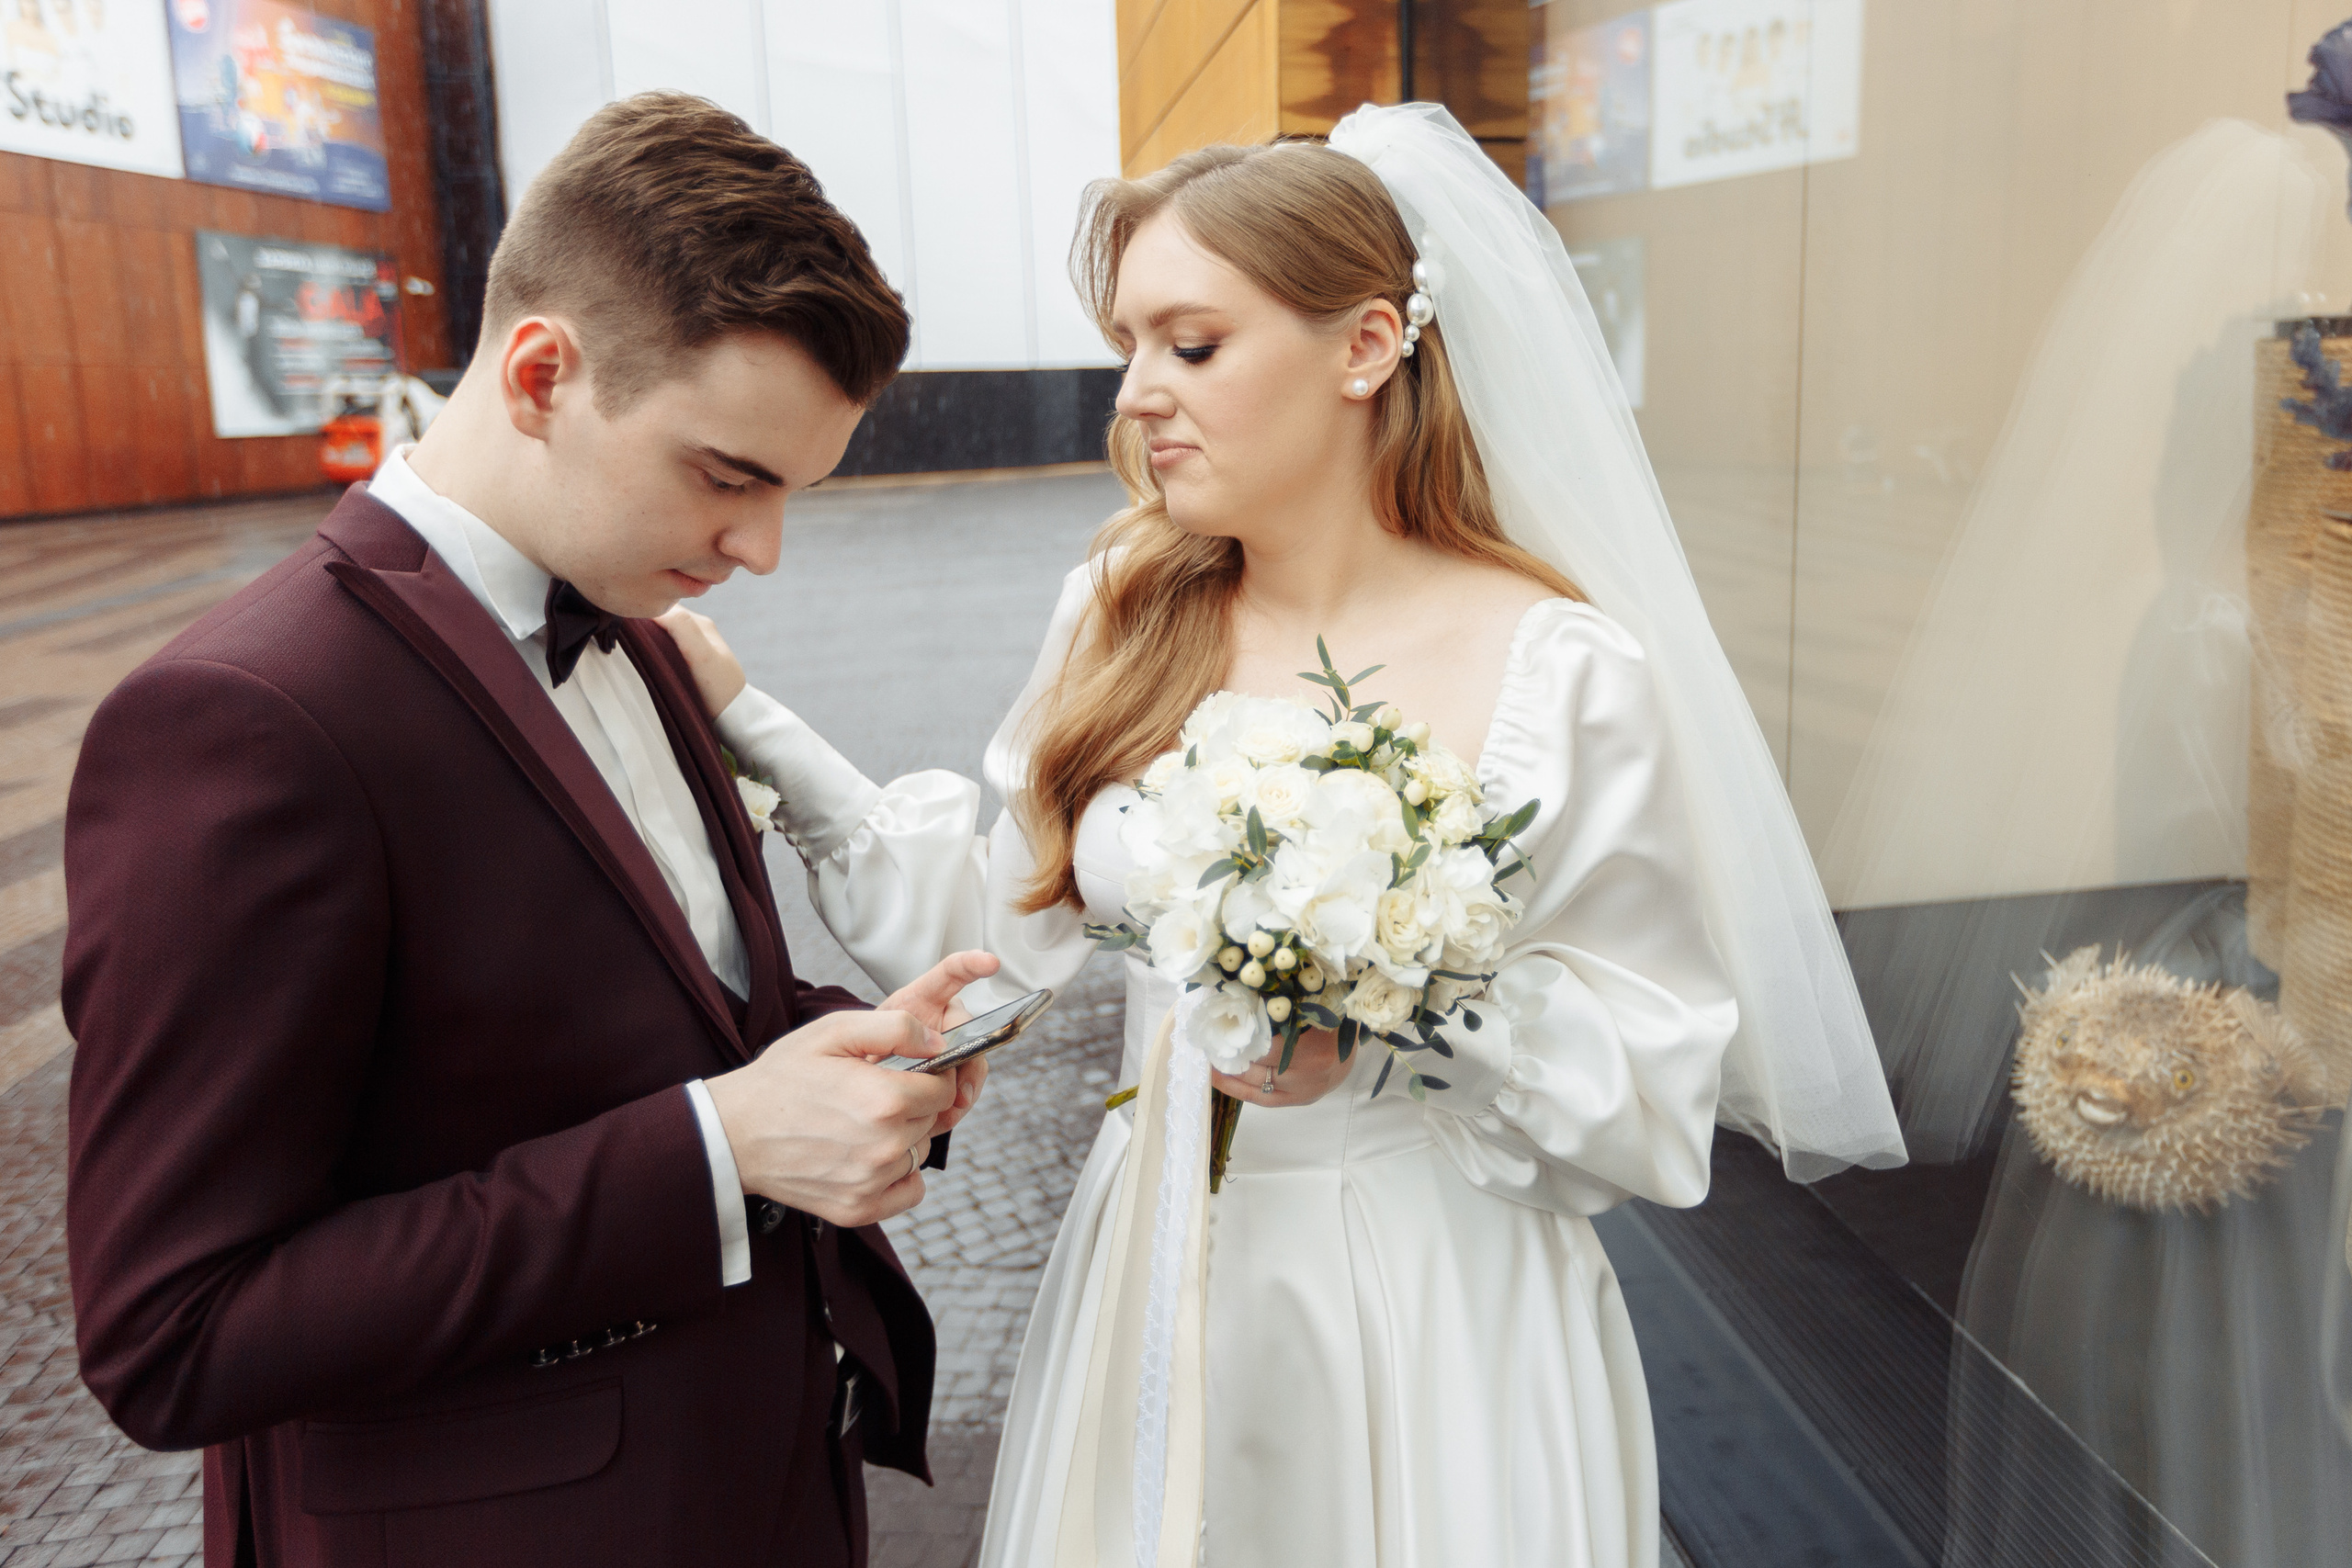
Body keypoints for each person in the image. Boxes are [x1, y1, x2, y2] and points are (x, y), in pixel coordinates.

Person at [662, 105, 1905, 1567]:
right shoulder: (1124, 609)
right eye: (1129, 347)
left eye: (1191, 346)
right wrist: (747, 719)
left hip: (1438, 1307)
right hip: (1159, 1266)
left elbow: (1647, 1084)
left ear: (1367, 347)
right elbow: (1004, 932)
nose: (1138, 395)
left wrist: (1398, 1015)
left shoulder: (1560, 670)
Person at [62, 94, 990, 1568]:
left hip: (764, 1489)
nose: (760, 551)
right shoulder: (244, 720)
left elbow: (631, 1020)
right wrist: (719, 1149)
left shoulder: (639, 624)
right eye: (728, 475)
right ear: (542, 372)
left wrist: (845, 1052)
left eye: (793, 493)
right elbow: (176, 1330)